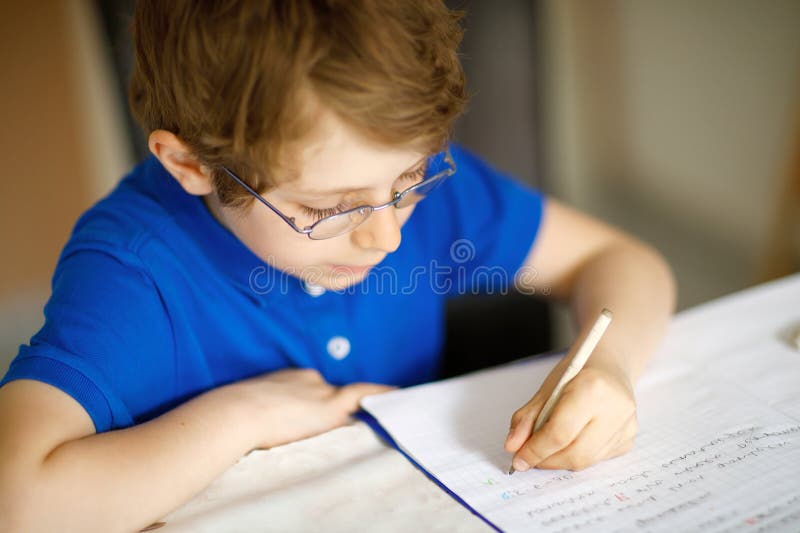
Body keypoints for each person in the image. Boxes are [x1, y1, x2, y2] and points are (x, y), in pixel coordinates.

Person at [0, 1, 676, 531]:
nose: (385, 235)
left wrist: (609, 364)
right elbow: (16, 504)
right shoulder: (136, 273)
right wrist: (240, 418)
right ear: (191, 165)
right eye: (328, 209)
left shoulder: (388, 175)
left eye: (412, 178)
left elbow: (621, 261)